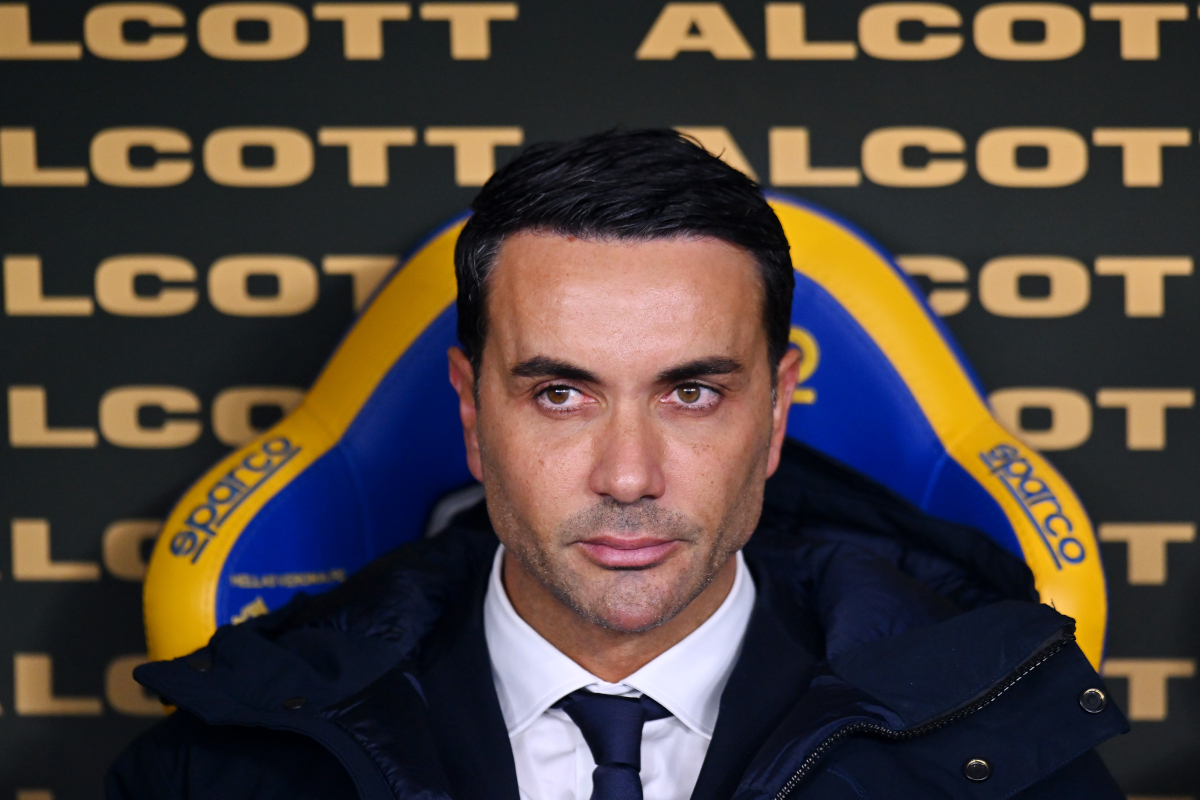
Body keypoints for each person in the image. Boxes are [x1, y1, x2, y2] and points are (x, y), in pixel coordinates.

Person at [107, 129, 1127, 800]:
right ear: (470, 411)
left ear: (777, 411)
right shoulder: (224, 765)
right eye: (561, 394)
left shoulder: (1004, 758)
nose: (629, 477)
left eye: (693, 393)